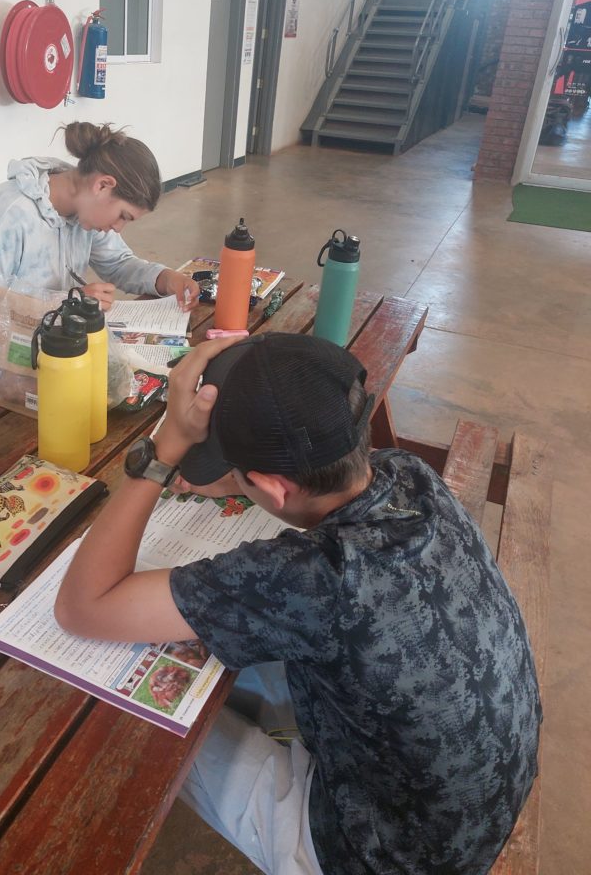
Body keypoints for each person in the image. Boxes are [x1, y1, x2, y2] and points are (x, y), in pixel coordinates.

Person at [53, 333, 542, 875]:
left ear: (273, 487)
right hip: (473, 804)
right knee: (236, 664)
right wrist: (246, 483)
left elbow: (85, 605)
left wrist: (165, 447)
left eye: (238, 472)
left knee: (138, 723)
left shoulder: (313, 577)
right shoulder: (410, 475)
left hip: (383, 855)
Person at [0, 121, 199, 376]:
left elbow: (118, 263)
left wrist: (165, 278)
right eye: (123, 216)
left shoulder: (82, 211)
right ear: (102, 185)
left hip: (51, 354)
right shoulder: (8, 216)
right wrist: (64, 305)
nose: (118, 228)